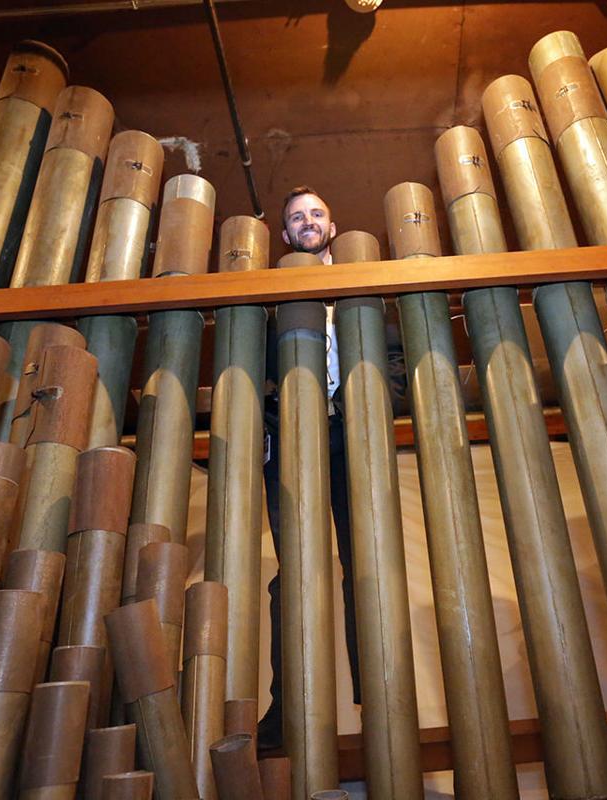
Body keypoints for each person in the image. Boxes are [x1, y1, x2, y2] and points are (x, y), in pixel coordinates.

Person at [257, 186, 362, 750]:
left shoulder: (356, 295)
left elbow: (390, 361)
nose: (307, 222)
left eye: (316, 214)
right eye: (296, 217)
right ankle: (286, 712)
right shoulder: (270, 301)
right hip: (288, 436)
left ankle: (380, 696)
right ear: (284, 234)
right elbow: (247, 368)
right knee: (295, 569)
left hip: (350, 433)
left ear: (332, 226)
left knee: (365, 561)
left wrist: (364, 406)